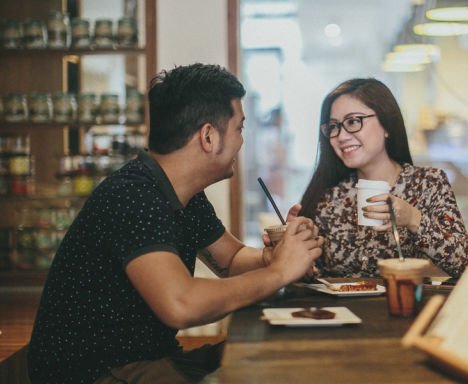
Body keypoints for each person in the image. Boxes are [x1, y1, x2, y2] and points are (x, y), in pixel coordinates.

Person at [27, 63, 323, 384]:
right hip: (96, 372)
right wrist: (279, 272)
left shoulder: (182, 193)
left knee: (275, 354)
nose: (241, 142)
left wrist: (277, 256)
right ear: (208, 136)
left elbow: (231, 260)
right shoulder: (134, 195)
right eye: (239, 128)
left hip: (145, 359)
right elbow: (181, 304)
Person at [299, 78, 468, 278]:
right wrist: (290, 252)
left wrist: (412, 218)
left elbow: (465, 264)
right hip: (340, 310)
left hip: (405, 306)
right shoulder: (329, 196)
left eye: (353, 121)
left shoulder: (428, 184)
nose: (341, 136)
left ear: (386, 125)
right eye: (333, 127)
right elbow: (313, 276)